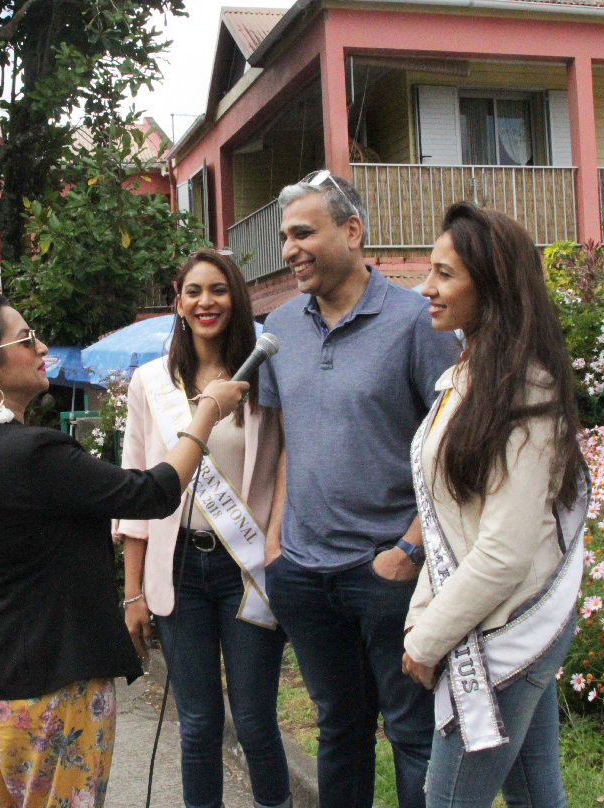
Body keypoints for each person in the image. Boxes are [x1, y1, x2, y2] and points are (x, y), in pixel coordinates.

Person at [0, 289, 248, 808]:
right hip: (55, 683)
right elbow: (152, 492)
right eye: (26, 339)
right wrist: (206, 416)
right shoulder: (36, 453)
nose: (42, 347)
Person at [258, 171, 460, 808]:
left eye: (303, 233)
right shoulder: (280, 326)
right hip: (305, 573)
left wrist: (410, 549)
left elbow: (453, 445)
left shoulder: (416, 322)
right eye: (285, 238)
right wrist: (275, 549)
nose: (290, 249)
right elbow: (290, 439)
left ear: (352, 231)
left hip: (388, 571)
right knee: (338, 728)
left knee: (411, 733)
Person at [401, 202, 587, 808]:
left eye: (444, 274)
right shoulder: (471, 375)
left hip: (510, 626)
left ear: (494, 285)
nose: (425, 288)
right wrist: (423, 618)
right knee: (537, 797)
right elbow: (451, 522)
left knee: (449, 800)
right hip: (486, 616)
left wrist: (425, 640)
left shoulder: (526, 391)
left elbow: (503, 554)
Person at [117, 250, 289, 808]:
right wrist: (133, 592)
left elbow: (289, 463)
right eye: (194, 291)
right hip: (178, 569)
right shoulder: (150, 383)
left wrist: (277, 537)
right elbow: (137, 490)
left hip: (247, 568)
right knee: (197, 722)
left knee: (256, 719)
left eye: (218, 289)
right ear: (178, 300)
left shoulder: (265, 376)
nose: (205, 301)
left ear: (236, 297)